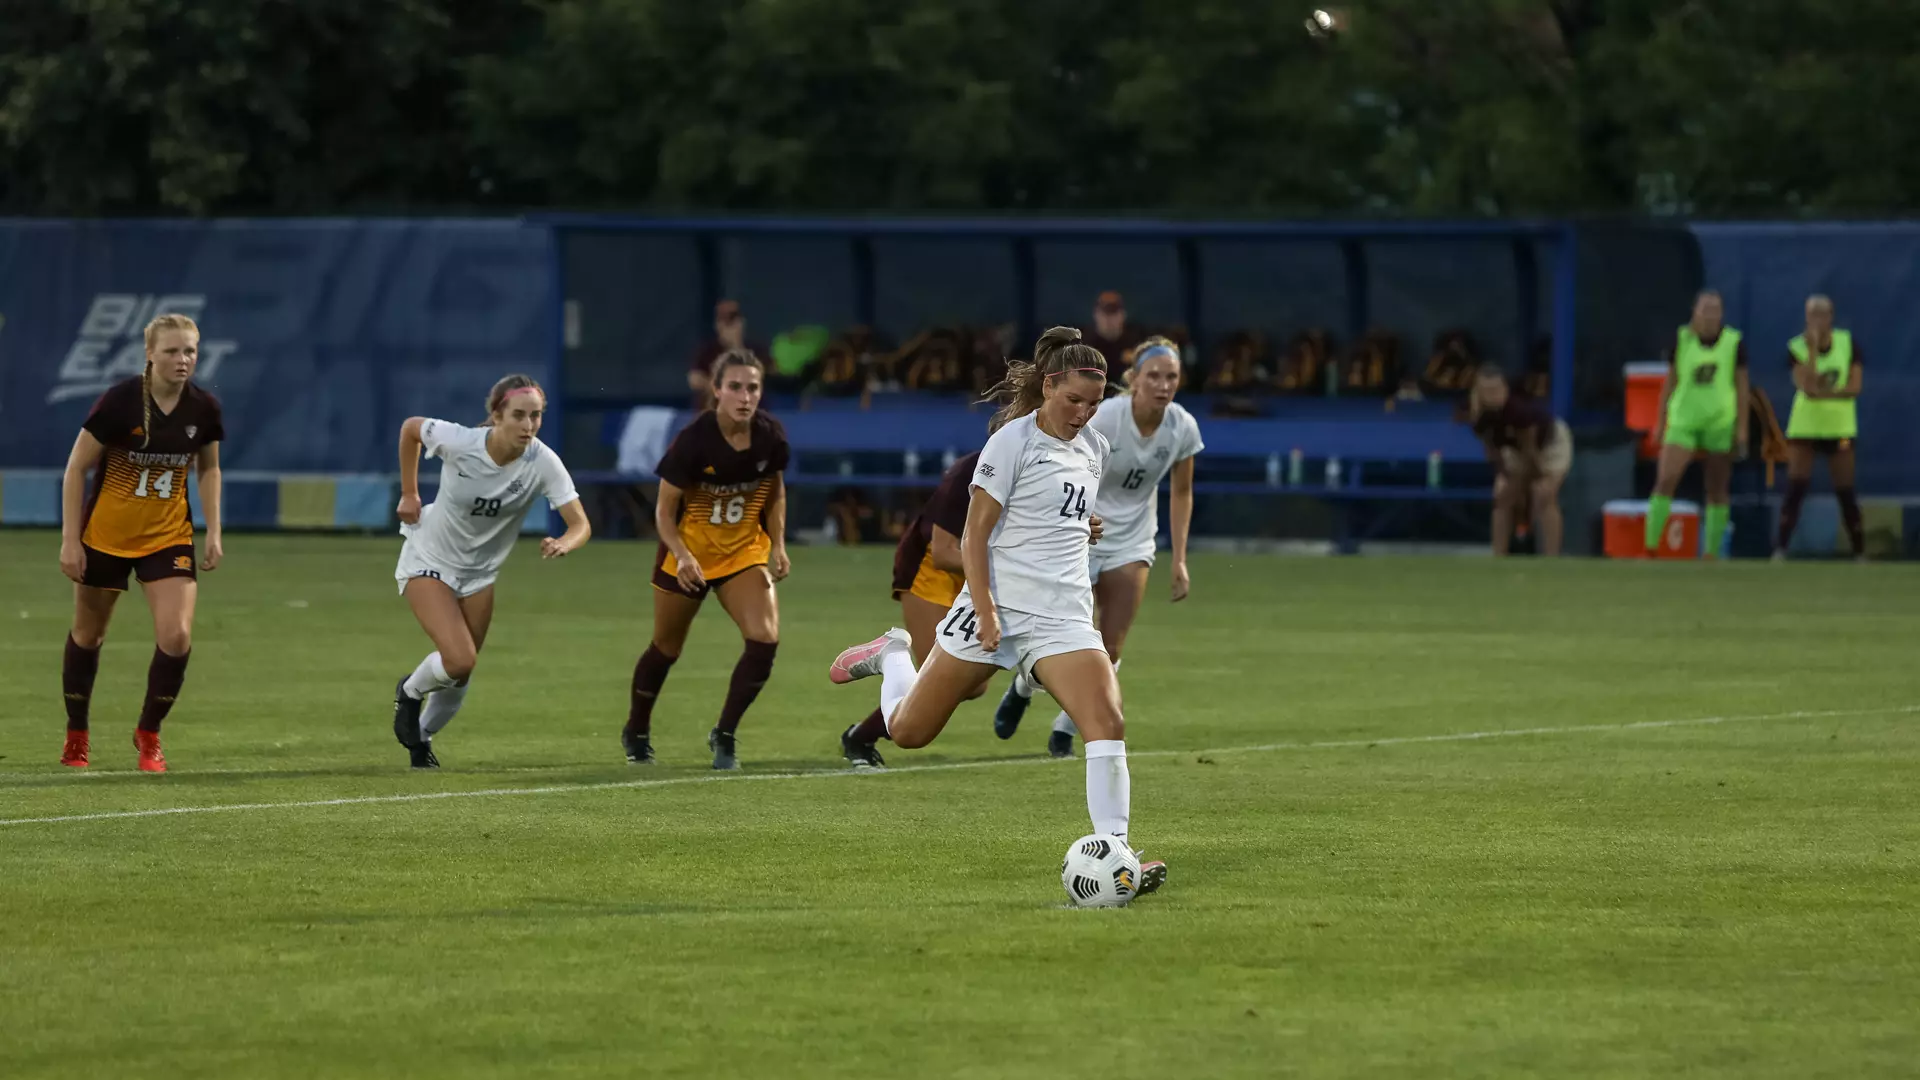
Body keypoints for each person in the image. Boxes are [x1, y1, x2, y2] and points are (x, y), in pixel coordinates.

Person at [826, 326, 1167, 897]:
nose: (1084, 413)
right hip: (997, 609)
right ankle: (892, 656)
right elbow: (976, 537)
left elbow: (1054, 511)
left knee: (1106, 722)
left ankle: (1118, 852)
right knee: (910, 732)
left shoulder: (1095, 448)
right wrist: (984, 613)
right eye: (1073, 400)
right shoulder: (1012, 442)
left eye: (1094, 403)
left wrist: (1084, 525)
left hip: (1061, 617)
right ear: (1049, 387)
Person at [991, 336, 1203, 758]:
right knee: (1065, 635)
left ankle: (1065, 731)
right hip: (1081, 532)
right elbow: (1063, 467)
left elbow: (1181, 493)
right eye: (1154, 376)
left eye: (1172, 377)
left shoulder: (1183, 427)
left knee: (1112, 644)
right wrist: (1072, 520)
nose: (1163, 385)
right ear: (1135, 380)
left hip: (1134, 539)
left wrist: (1178, 559)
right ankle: (1022, 686)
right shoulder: (1103, 417)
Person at [391, 375, 590, 769]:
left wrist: (565, 542)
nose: (528, 425)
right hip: (429, 557)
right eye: (518, 415)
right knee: (461, 659)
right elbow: (411, 428)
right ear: (496, 415)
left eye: (536, 416)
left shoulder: (543, 461)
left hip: (480, 575)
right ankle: (410, 692)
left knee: (458, 676)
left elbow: (580, 523)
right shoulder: (461, 441)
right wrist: (410, 492)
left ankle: (421, 741)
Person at [57, 313, 225, 772]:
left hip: (167, 536)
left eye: (190, 350)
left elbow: (208, 468)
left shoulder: (203, 408)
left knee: (177, 635)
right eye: (172, 350)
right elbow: (76, 469)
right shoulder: (120, 401)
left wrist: (214, 530)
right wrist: (71, 541)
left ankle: (149, 732)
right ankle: (77, 734)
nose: (183, 359)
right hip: (106, 536)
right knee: (89, 634)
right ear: (149, 354)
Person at [622, 351, 790, 770]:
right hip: (689, 553)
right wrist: (681, 556)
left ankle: (725, 733)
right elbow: (663, 511)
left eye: (753, 387)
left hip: (742, 553)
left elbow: (775, 491)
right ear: (716, 391)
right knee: (666, 647)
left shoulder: (770, 436)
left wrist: (778, 544)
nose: (744, 396)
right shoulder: (694, 440)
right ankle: (637, 730)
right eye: (734, 386)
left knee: (765, 639)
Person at [837, 449, 987, 769]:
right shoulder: (972, 471)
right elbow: (944, 553)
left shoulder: (1039, 471)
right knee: (944, 677)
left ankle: (861, 735)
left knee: (973, 685)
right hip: (931, 570)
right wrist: (1003, 565)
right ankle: (891, 653)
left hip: (975, 574)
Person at [1647, 290, 1748, 557]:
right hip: (1684, 420)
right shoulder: (1682, 340)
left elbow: (1742, 389)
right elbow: (1669, 383)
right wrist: (1660, 422)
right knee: (1666, 479)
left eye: (1715, 310)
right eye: (1705, 309)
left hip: (1719, 422)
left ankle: (1711, 553)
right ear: (1694, 311)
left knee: (1716, 487)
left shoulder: (1733, 342)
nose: (1710, 315)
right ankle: (1650, 548)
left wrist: (1741, 430)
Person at [1774, 295, 1865, 560]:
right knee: (1796, 487)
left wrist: (1829, 394)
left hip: (1839, 426)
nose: (1818, 320)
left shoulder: (1848, 344)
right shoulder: (1797, 348)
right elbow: (1809, 386)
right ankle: (1780, 549)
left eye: (1823, 314)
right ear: (1806, 317)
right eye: (1812, 314)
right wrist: (1812, 351)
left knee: (1845, 489)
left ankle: (1859, 551)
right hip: (1805, 426)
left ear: (1831, 317)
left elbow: (1855, 387)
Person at [1468, 364, 1573, 557]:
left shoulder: (1517, 410)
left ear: (1505, 389)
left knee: (1543, 494)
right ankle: (1499, 555)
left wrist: (1534, 479)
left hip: (1549, 444)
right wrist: (1505, 475)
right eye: (1487, 391)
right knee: (1502, 496)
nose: (1493, 396)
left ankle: (1552, 557)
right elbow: (1492, 451)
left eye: (1496, 390)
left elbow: (1531, 451)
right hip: (1515, 449)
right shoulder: (1479, 416)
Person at [687, 300, 765, 408]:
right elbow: (694, 379)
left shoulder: (756, 350)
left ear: (742, 323)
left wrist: (736, 346)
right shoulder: (707, 350)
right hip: (714, 413)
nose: (730, 328)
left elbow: (766, 375)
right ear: (718, 326)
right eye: (726, 324)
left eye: (733, 323)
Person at [1082, 291, 1145, 372]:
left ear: (1123, 315)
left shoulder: (1135, 344)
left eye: (1113, 313)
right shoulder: (1084, 347)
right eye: (1104, 314)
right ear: (1096, 315)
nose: (1108, 319)